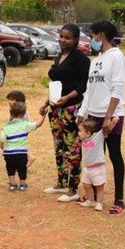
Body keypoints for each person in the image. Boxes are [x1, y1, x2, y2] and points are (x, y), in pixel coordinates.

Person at [77, 20, 125, 216]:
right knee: (94, 156)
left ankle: (119, 200)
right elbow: (90, 90)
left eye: (92, 36)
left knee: (115, 155)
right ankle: (93, 196)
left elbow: (118, 88)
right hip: (93, 115)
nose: (91, 40)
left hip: (112, 115)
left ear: (102, 35)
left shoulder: (117, 57)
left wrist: (109, 116)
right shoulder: (96, 60)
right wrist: (82, 113)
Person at [40, 24, 90, 199]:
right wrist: (46, 102)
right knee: (59, 146)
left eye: (67, 37)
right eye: (61, 36)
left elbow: (83, 86)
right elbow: (55, 84)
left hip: (71, 108)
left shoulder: (81, 59)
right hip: (55, 109)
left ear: (76, 39)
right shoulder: (59, 56)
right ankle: (61, 182)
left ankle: (73, 188)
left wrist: (68, 98)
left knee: (72, 147)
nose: (63, 40)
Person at [0, 101, 46, 191]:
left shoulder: (6, 127)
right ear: (24, 114)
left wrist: (2, 146)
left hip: (8, 153)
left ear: (11, 114)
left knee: (10, 168)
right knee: (22, 168)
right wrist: (43, 115)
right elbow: (38, 124)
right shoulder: (25, 125)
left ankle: (12, 184)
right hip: (21, 152)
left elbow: (2, 139)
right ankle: (22, 184)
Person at [76, 118, 117, 212]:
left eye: (80, 131)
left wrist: (113, 122)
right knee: (86, 185)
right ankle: (91, 201)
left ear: (88, 133)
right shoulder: (84, 140)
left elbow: (106, 130)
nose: (78, 133)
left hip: (98, 169)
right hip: (87, 169)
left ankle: (99, 203)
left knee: (99, 187)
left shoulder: (98, 137)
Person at [6, 90, 36, 168]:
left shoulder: (20, 112)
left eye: (12, 100)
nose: (9, 102)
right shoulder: (15, 111)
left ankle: (28, 158)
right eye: (9, 99)